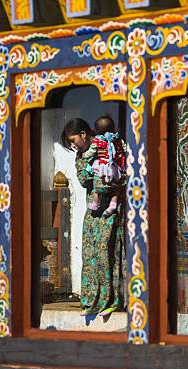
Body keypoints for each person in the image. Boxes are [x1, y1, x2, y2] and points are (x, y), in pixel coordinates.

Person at [60, 117, 126, 317]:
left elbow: (122, 173)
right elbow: (82, 180)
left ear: (83, 134)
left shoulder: (111, 146)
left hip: (112, 210)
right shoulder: (82, 156)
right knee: (89, 253)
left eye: (74, 140)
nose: (73, 145)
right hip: (93, 210)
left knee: (107, 252)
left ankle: (112, 300)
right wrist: (92, 169)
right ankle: (90, 300)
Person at [80, 115, 126, 218]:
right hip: (114, 168)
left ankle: (96, 202)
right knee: (116, 187)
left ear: (96, 130)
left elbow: (90, 153)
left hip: (102, 168)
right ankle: (113, 202)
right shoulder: (117, 139)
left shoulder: (97, 141)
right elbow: (125, 149)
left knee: (97, 187)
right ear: (113, 128)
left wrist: (85, 156)